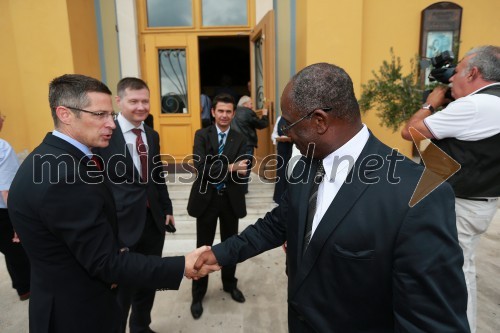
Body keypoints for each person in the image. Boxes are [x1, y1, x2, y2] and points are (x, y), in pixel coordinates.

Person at [193, 63, 470, 332]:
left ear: (319, 121)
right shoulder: (303, 166)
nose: (284, 134)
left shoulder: (419, 195)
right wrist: (219, 253)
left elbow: (432, 322)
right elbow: (277, 224)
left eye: (288, 124)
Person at [7, 74, 218, 333]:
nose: (111, 123)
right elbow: (104, 263)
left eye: (110, 114)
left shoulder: (47, 157)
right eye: (100, 115)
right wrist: (182, 265)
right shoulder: (66, 176)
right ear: (64, 114)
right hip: (78, 314)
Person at [401, 45, 500, 333]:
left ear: (474, 72)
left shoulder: (475, 106)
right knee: (461, 266)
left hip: (461, 204)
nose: (450, 79)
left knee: (455, 272)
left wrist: (430, 103)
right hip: (480, 200)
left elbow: (411, 131)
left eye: (456, 72)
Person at [94, 77, 175, 333]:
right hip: (121, 226)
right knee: (122, 290)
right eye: (134, 101)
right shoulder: (104, 135)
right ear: (118, 102)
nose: (141, 107)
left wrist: (167, 208)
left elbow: (156, 175)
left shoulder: (151, 134)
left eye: (145, 101)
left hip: (153, 223)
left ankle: (141, 327)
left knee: (149, 281)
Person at [187, 93, 250, 319]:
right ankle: (198, 293)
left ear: (234, 113)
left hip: (230, 200)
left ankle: (229, 284)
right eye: (220, 111)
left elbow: (245, 170)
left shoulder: (241, 138)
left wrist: (222, 167)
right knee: (202, 249)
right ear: (213, 112)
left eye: (228, 111)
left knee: (230, 246)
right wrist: (231, 167)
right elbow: (202, 167)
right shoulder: (202, 135)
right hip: (206, 201)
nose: (224, 115)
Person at [0, 112, 31, 301]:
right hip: (2, 212)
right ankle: (25, 288)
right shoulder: (2, 148)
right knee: (16, 250)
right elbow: (6, 191)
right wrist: (17, 222)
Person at [231, 95, 269, 193]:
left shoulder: (233, 111)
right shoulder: (247, 113)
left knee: (236, 165)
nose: (252, 106)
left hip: (234, 143)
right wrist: (265, 115)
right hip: (247, 144)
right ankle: (243, 190)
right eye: (251, 103)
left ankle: (235, 188)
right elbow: (261, 124)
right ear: (245, 104)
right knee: (246, 166)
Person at [271, 115, 293, 204]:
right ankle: (279, 198)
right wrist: (277, 138)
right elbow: (274, 134)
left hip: (294, 148)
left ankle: (290, 199)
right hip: (282, 148)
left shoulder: (297, 116)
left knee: (292, 172)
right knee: (281, 172)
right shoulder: (279, 118)